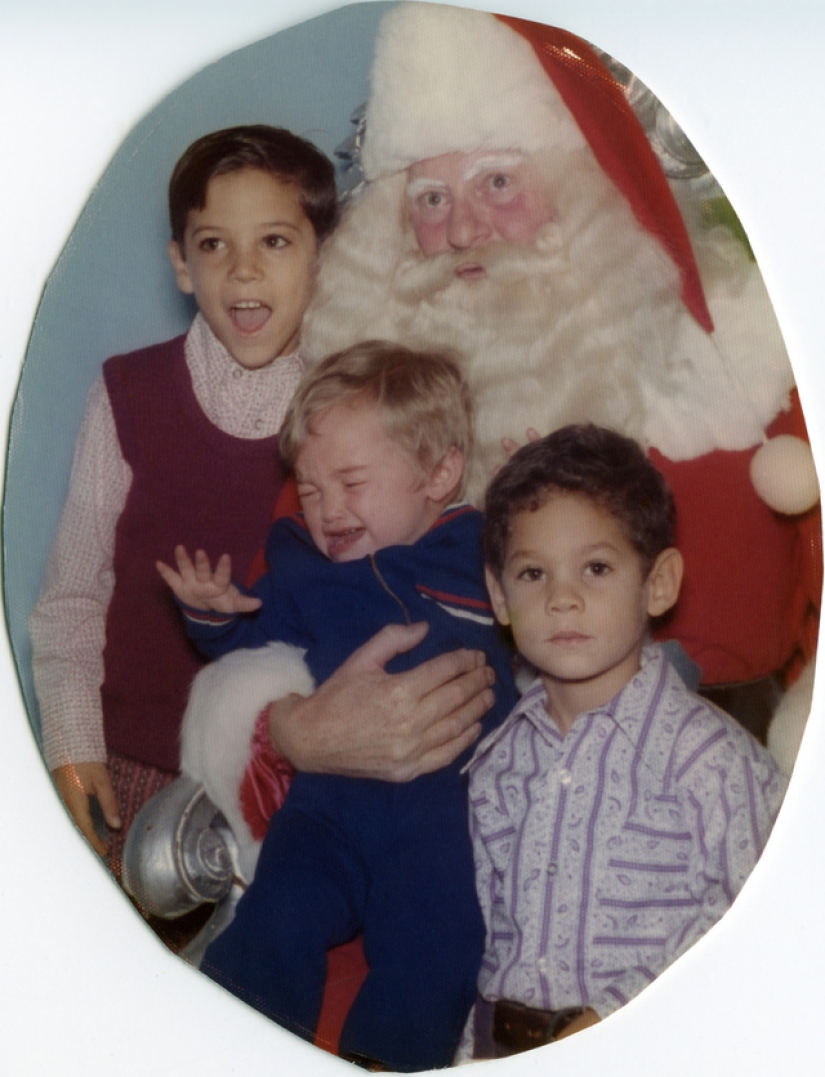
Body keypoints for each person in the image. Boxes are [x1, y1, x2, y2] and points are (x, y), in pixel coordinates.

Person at [298, 2, 820, 749]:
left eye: (498, 183)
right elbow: (274, 602)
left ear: (579, 195)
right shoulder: (352, 418)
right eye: (431, 200)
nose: (465, 231)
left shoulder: (728, 363)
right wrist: (287, 725)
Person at [159, 342, 517, 1072]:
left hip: (439, 813)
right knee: (277, 916)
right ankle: (219, 1044)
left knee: (438, 941)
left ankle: (383, 1059)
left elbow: (545, 605)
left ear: (438, 473)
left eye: (351, 481)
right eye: (311, 490)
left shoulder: (478, 552)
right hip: (324, 806)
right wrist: (216, 616)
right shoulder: (303, 572)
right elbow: (253, 646)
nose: (328, 510)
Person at [28, 124, 338, 871]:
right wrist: (74, 747)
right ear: (180, 264)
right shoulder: (127, 393)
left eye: (273, 242)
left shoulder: (349, 408)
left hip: (286, 780)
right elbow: (72, 595)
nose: (242, 273)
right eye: (213, 245)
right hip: (131, 763)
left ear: (323, 258)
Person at [459, 425, 787, 1059]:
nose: (562, 599)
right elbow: (485, 945)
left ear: (658, 584)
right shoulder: (494, 766)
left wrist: (619, 1018)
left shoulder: (711, 762)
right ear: (500, 597)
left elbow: (766, 926)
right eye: (532, 573)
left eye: (597, 568)